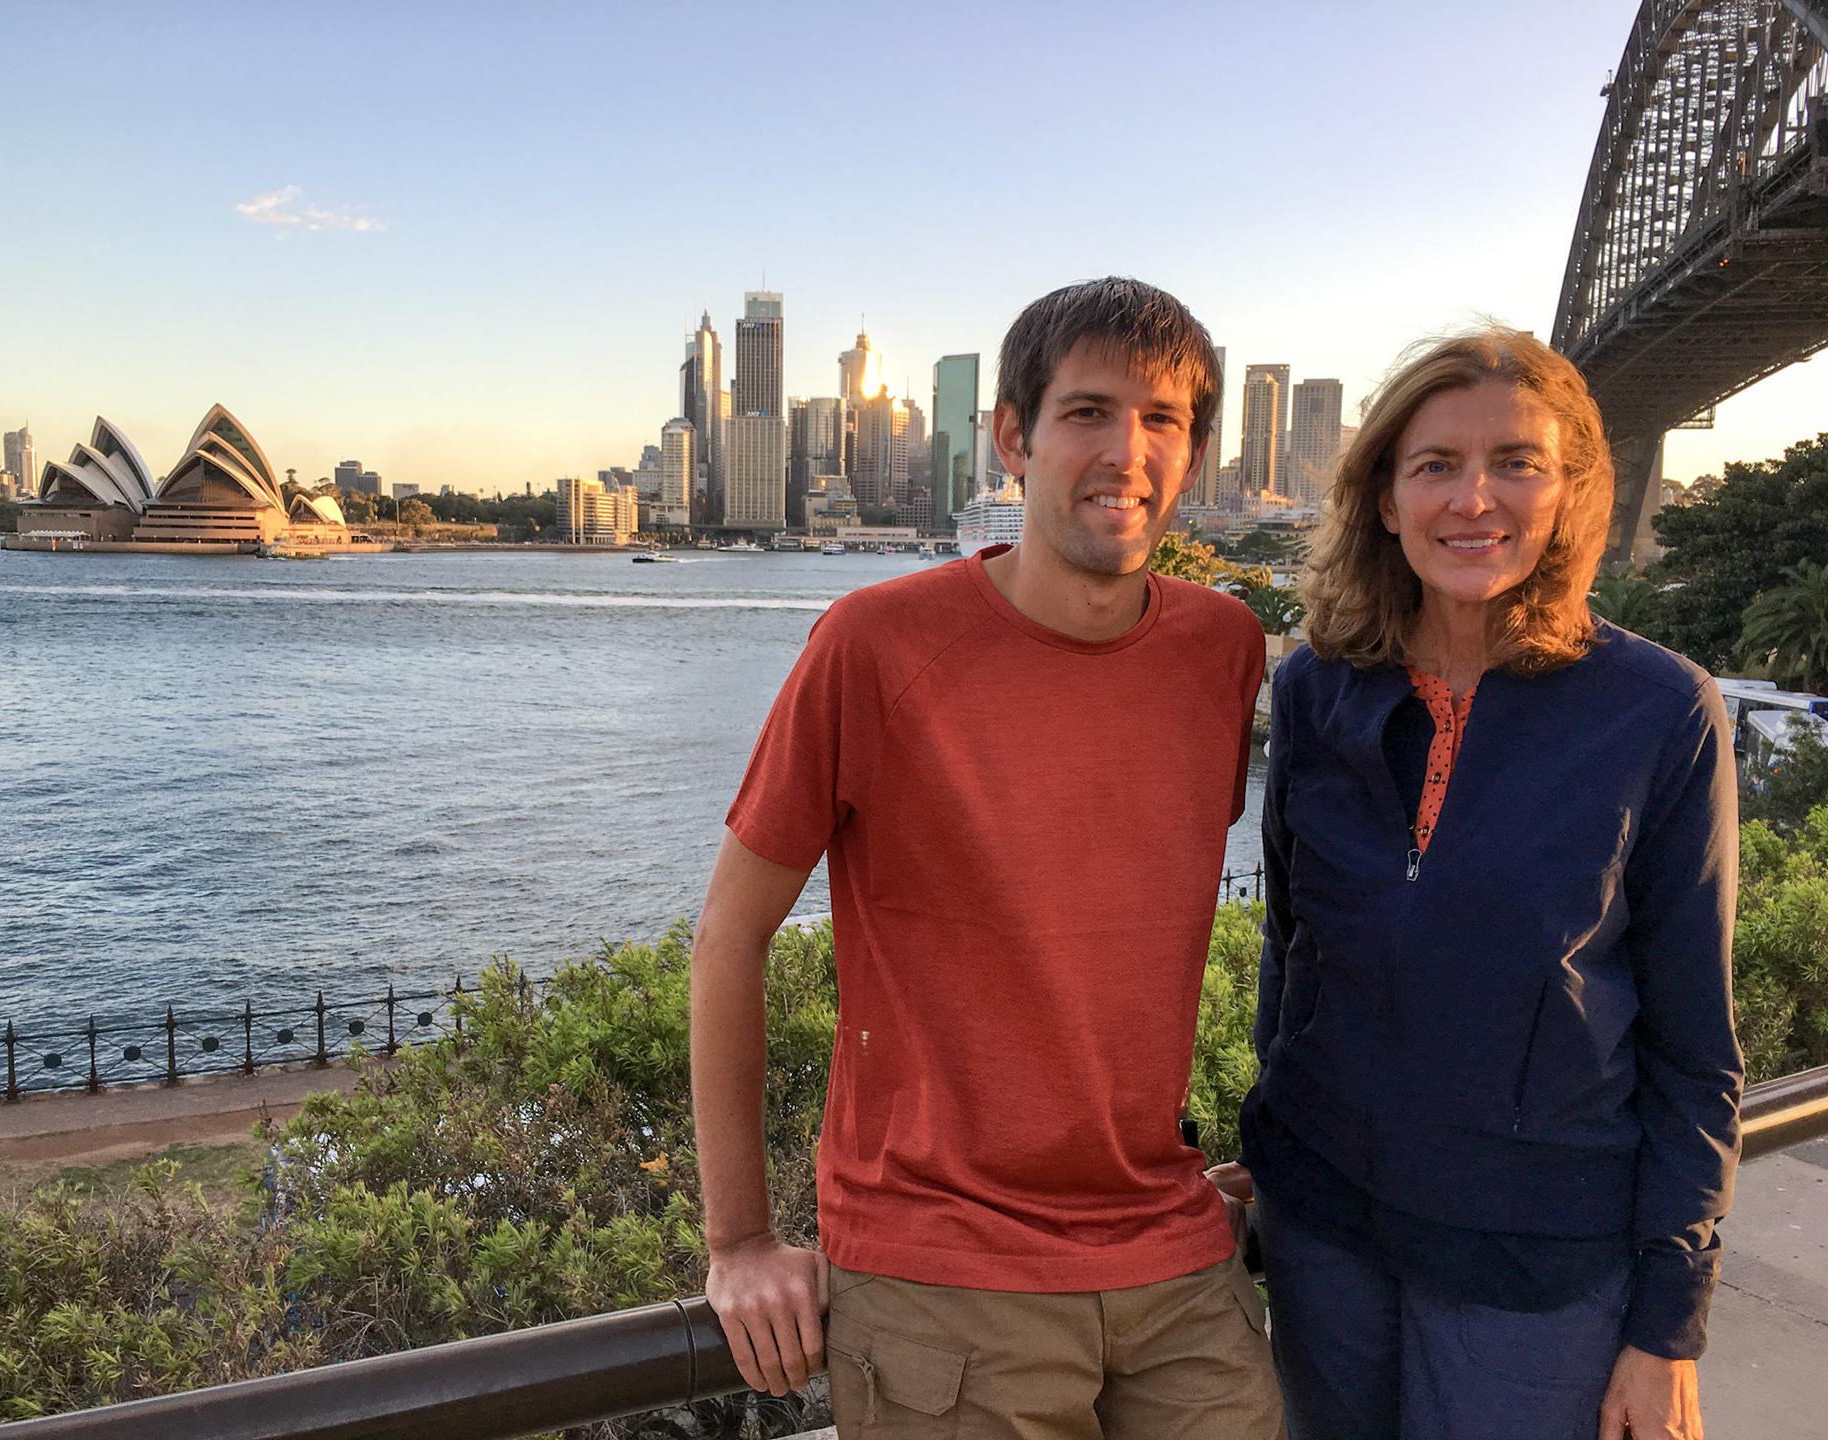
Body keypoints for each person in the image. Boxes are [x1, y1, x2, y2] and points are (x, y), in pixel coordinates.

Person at [690, 277, 1284, 1439]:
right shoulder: (875, 644)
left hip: (1170, 1250)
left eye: (1162, 421)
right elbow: (730, 934)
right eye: (1087, 413)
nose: (1126, 452)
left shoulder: (1223, 650)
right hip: (941, 1266)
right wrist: (741, 1238)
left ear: (1194, 453)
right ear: (1013, 437)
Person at [1226, 328, 1740, 1440]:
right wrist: (1271, 1150)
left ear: (1568, 493)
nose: (1474, 499)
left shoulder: (1658, 712)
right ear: (1384, 499)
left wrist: (1668, 1323)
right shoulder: (1317, 688)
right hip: (1323, 1230)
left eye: (1516, 462)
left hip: (1536, 1260)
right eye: (1436, 465)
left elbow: (1696, 1050)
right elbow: (1291, 949)